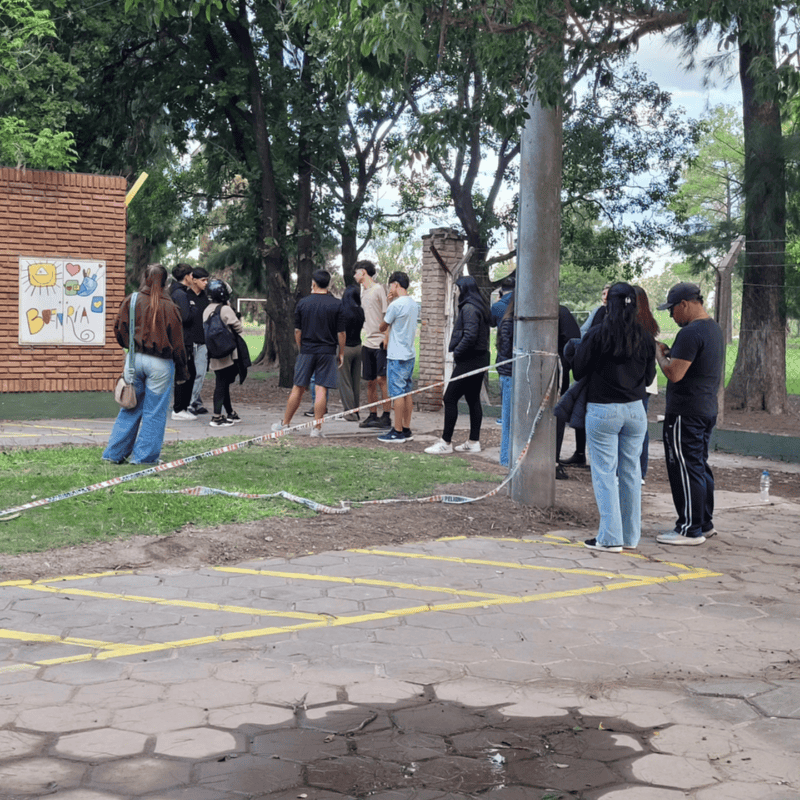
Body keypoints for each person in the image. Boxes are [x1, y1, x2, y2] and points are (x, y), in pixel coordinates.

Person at [572, 282, 656, 552]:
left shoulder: (598, 334)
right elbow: (649, 377)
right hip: (635, 410)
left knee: (605, 473)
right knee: (631, 472)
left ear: (609, 304)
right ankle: (630, 537)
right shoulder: (645, 337)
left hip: (603, 409)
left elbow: (578, 370)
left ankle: (610, 537)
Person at [655, 282, 724, 546]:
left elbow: (674, 373)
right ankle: (704, 523)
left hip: (686, 412)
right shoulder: (713, 328)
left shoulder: (690, 333)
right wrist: (671, 354)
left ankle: (689, 529)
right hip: (706, 408)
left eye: (672, 309)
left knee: (685, 468)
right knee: (698, 466)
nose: (671, 315)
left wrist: (660, 356)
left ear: (684, 304)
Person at [102, 264, 188, 465]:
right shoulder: (170, 307)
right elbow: (178, 344)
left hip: (134, 359)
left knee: (129, 407)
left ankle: (114, 454)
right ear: (166, 282)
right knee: (154, 413)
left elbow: (119, 328)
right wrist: (182, 370)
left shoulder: (132, 300)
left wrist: (130, 345)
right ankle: (144, 457)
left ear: (144, 279)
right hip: (160, 364)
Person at [272, 269, 345, 437]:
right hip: (327, 351)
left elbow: (298, 331)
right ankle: (317, 429)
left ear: (313, 283)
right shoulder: (337, 304)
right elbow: (341, 333)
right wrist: (341, 352)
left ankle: (284, 424)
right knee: (321, 389)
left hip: (307, 350)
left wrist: (301, 348)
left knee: (298, 387)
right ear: (328, 284)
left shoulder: (303, 303)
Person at [425, 275, 491, 455]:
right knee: (472, 398)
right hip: (479, 358)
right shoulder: (478, 306)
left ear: (463, 289)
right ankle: (473, 441)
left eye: (456, 288)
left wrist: (457, 352)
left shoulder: (469, 308)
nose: (455, 292)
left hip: (470, 360)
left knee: (449, 398)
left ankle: (445, 442)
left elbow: (470, 335)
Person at [377, 271, 419, 443]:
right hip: (409, 353)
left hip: (396, 354)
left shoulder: (395, 305)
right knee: (407, 392)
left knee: (397, 394)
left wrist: (389, 304)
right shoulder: (413, 304)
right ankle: (406, 427)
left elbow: (382, 327)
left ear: (395, 284)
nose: (390, 289)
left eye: (391, 286)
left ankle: (397, 430)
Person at [354, 260, 392, 429]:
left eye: (356, 272)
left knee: (381, 380)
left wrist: (387, 336)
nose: (354, 276)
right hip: (367, 342)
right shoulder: (363, 292)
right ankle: (372, 415)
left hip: (380, 342)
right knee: (370, 382)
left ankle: (386, 416)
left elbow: (387, 314)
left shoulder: (378, 289)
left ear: (363, 272)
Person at [203, 279, 243, 427]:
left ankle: (230, 412)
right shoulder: (225, 309)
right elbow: (238, 327)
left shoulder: (207, 309)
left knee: (223, 382)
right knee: (221, 384)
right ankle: (217, 417)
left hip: (214, 352)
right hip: (227, 352)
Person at [634, 286, 660, 483]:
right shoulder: (649, 324)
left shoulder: (634, 326)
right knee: (640, 426)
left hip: (637, 382)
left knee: (637, 428)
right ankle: (640, 471)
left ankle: (638, 470)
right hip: (646, 382)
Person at [556, 304, 586, 471]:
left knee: (557, 413)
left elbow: (573, 341)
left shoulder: (560, 312)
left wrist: (565, 364)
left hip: (558, 370)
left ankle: (553, 459)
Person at [169, 263, 198, 421]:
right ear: (187, 276)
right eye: (192, 275)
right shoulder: (180, 294)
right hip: (182, 340)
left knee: (188, 372)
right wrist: (193, 308)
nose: (193, 278)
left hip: (181, 339)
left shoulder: (176, 292)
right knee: (186, 373)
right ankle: (179, 409)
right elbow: (185, 317)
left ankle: (182, 408)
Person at [339, 283, 365, 421]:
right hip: (358, 347)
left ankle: (349, 413)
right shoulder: (360, 311)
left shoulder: (342, 311)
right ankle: (356, 410)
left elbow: (340, 332)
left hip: (345, 348)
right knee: (355, 382)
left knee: (345, 382)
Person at [189, 267, 210, 414]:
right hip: (189, 342)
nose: (206, 283)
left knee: (200, 373)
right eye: (203, 280)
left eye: (207, 280)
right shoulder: (185, 296)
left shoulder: (206, 298)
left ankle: (193, 402)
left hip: (203, 342)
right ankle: (192, 402)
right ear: (194, 280)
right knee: (190, 374)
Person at [496, 295, 514, 467]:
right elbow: (506, 350)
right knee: (507, 420)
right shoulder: (509, 322)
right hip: (509, 374)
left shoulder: (509, 321)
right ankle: (506, 459)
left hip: (510, 373)